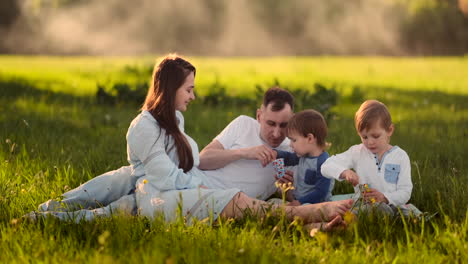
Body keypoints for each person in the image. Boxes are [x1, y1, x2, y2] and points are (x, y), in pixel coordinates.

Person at [28, 54, 352, 229]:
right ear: (171, 89)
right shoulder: (145, 126)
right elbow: (174, 174)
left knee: (120, 207)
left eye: (285, 126)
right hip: (174, 190)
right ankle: (48, 212)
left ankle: (45, 218)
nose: (194, 96)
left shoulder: (177, 120)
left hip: (175, 193)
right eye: (189, 89)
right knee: (122, 182)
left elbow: (182, 167)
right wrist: (238, 159)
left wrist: (289, 188)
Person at [321, 100, 417, 216]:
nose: (370, 142)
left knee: (410, 214)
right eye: (364, 137)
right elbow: (326, 166)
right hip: (364, 205)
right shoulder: (357, 152)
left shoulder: (400, 156)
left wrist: (385, 197)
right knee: (344, 209)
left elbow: (405, 191)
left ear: (389, 130)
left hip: (393, 204)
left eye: (375, 136)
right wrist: (344, 172)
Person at [199, 86, 295, 200]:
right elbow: (201, 161)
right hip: (198, 183)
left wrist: (286, 188)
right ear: (259, 116)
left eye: (284, 125)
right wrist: (244, 153)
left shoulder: (293, 150)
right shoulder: (244, 124)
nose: (276, 134)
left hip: (228, 203)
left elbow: (292, 197)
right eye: (271, 123)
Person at [270, 109, 334, 206]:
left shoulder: (324, 163)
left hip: (318, 205)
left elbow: (321, 192)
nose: (291, 145)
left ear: (310, 138)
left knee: (301, 210)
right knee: (273, 202)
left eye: (294, 140)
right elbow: (288, 158)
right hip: (300, 201)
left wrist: (300, 202)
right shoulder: (303, 156)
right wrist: (275, 153)